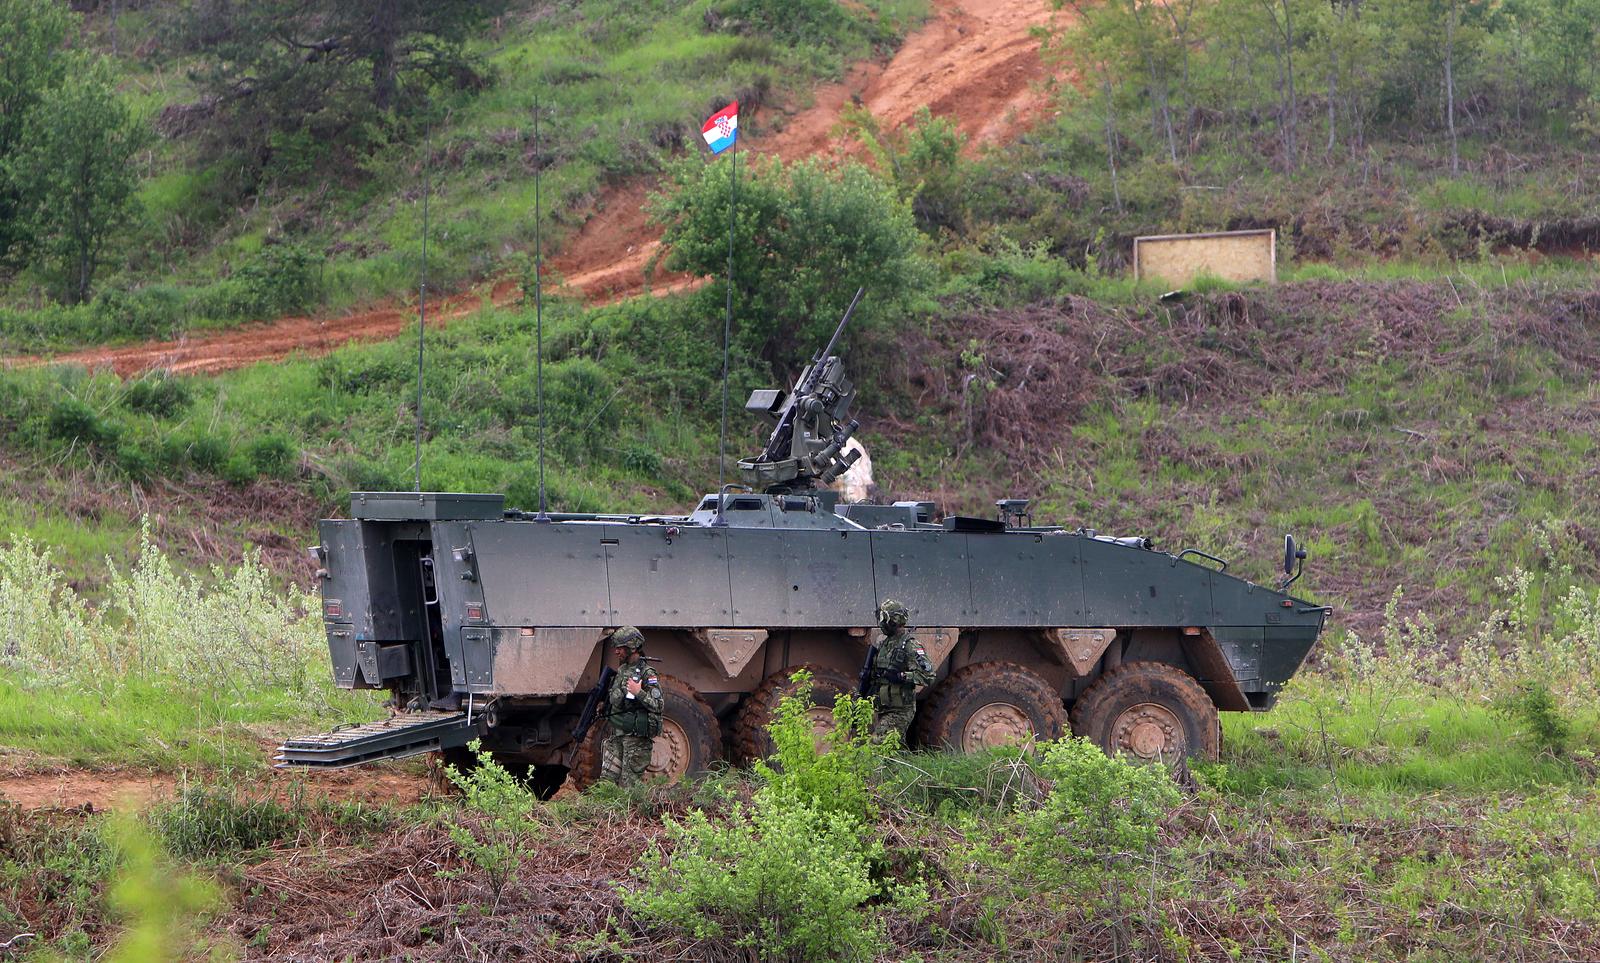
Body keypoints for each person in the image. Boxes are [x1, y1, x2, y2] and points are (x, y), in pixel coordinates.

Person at [599, 625, 663, 787]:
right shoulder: (622, 670)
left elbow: (658, 705)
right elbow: (617, 699)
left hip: (635, 740)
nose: (616, 651)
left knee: (629, 787)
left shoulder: (647, 673)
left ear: (632, 647)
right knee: (606, 783)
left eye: (620, 647)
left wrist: (638, 692)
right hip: (618, 735)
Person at [868, 599, 935, 744]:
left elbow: (928, 676)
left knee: (878, 744)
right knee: (896, 750)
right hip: (884, 706)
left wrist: (901, 676)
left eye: (884, 619)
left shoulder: (910, 645)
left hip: (901, 709)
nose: (881, 623)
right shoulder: (885, 644)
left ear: (893, 621)